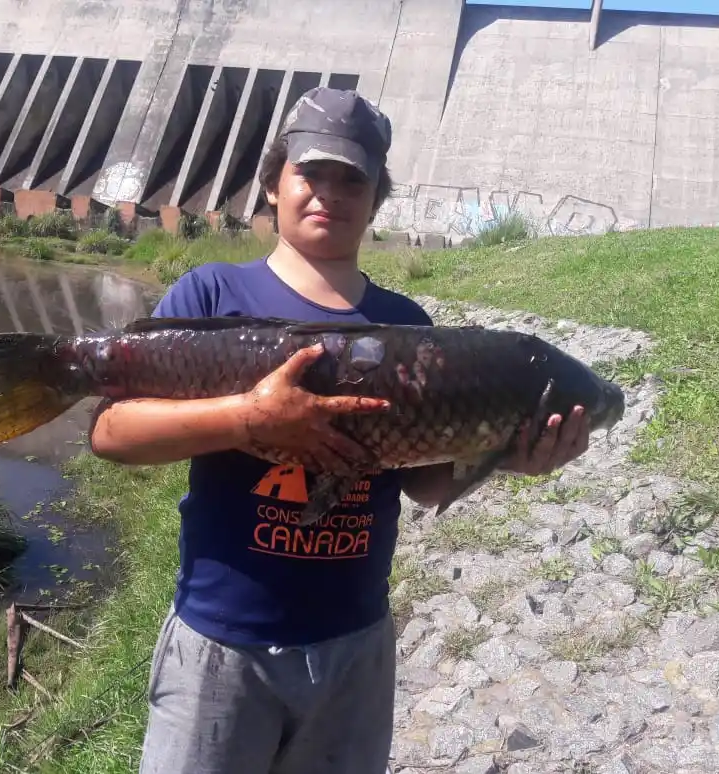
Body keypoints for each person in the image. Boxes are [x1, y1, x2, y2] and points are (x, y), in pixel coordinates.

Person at [88, 87, 591, 774]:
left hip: (353, 646)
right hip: (219, 645)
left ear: (376, 197)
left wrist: (506, 456)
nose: (328, 193)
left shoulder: (407, 326)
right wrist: (248, 419)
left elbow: (422, 482)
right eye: (309, 173)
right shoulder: (211, 295)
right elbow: (112, 435)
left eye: (351, 178)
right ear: (272, 183)